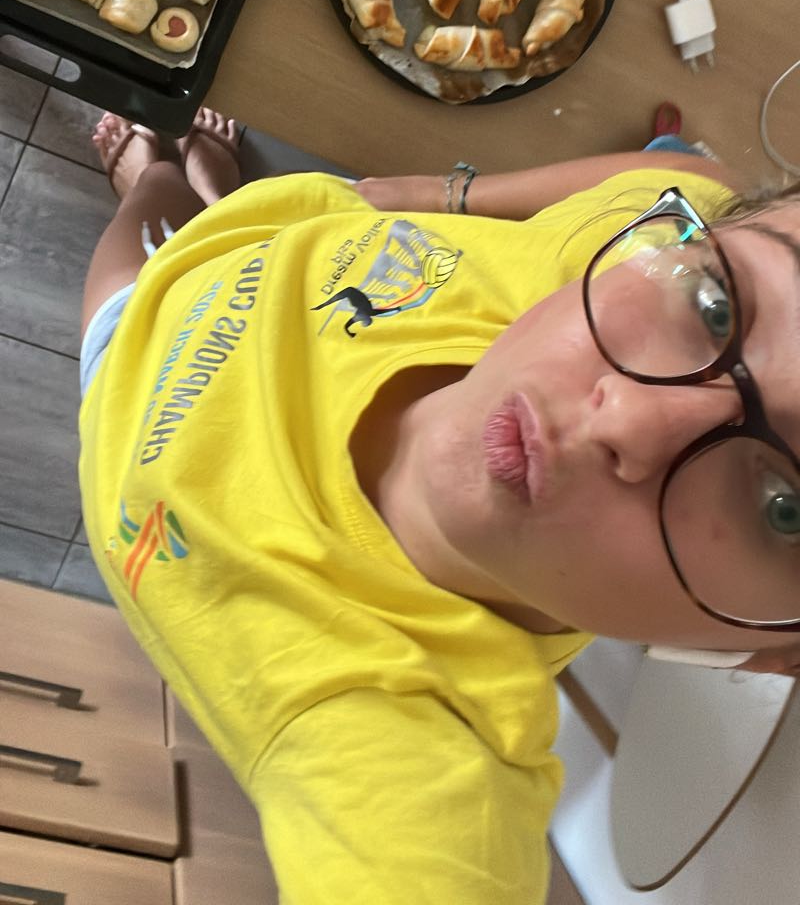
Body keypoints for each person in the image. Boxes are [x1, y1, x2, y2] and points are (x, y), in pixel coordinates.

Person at [78, 108, 800, 904]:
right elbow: (701, 181)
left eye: (784, 508)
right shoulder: (633, 246)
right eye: (717, 310)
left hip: (135, 360)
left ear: (772, 653)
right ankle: (208, 183)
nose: (625, 418)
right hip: (268, 234)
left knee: (142, 219)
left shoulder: (417, 758)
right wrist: (431, 195)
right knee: (196, 209)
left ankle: (152, 174)